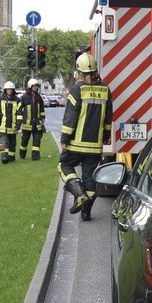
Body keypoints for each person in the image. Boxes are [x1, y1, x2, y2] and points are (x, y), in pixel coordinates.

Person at [59, 52, 112, 221]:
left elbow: (70, 117)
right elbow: (108, 118)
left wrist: (65, 139)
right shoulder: (105, 90)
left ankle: (79, 194)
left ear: (80, 73)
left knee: (64, 166)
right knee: (89, 177)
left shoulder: (77, 89)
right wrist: (105, 137)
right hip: (95, 145)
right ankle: (86, 212)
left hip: (75, 144)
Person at [0, 81, 23, 163]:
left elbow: (20, 114)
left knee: (12, 144)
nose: (9, 91)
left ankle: (11, 158)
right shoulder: (0, 99)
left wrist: (18, 124)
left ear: (13, 90)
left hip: (13, 127)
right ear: (5, 90)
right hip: (4, 126)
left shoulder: (18, 100)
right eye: (8, 89)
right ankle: (4, 157)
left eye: (11, 89)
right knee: (4, 142)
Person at [18, 78, 46, 160]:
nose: (36, 87)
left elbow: (42, 109)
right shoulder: (24, 97)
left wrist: (43, 117)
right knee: (24, 141)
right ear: (30, 87)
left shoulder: (38, 97)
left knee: (37, 141)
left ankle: (36, 157)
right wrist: (22, 118)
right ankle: (22, 155)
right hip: (27, 124)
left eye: (37, 86)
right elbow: (20, 109)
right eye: (34, 86)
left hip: (37, 123)